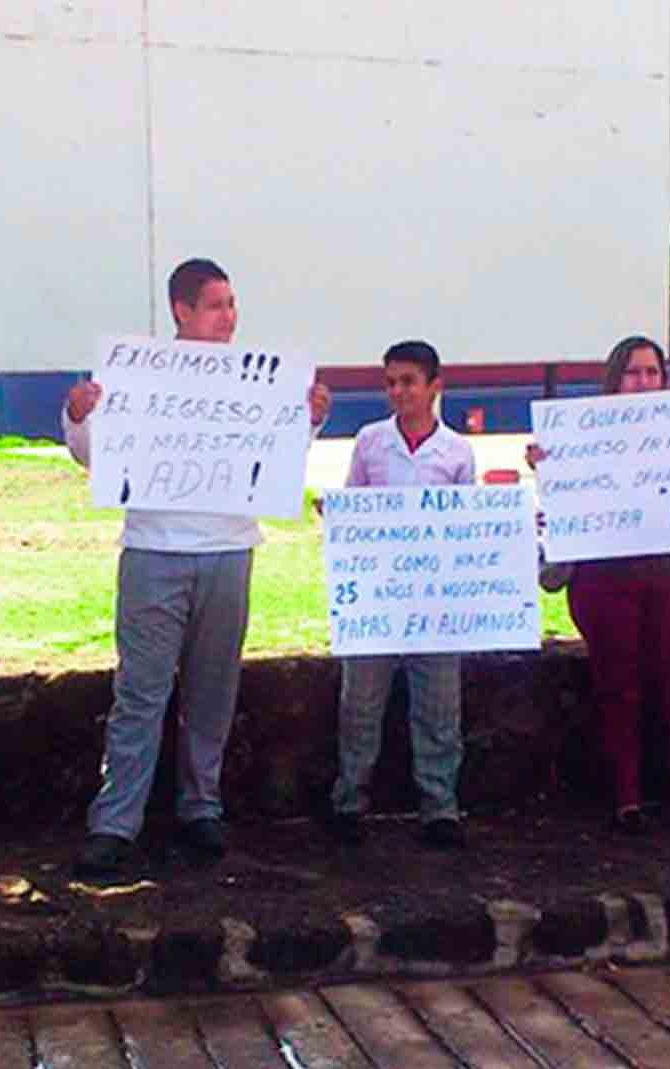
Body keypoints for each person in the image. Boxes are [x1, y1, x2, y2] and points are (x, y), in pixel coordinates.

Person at [65, 259, 331, 882]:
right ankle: (116, 821)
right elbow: (92, 456)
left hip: (229, 548)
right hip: (155, 547)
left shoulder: (258, 378)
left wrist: (309, 418)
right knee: (141, 691)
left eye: (233, 304)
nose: (229, 316)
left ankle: (201, 805)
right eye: (216, 305)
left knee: (213, 689)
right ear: (181, 310)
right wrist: (79, 415)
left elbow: (278, 457)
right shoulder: (138, 375)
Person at [529, 335, 670, 834]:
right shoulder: (580, 431)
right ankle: (627, 796)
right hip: (603, 578)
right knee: (618, 688)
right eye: (633, 372)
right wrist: (549, 464)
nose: (643, 381)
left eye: (652, 372)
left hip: (669, 573)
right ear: (614, 378)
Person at [327, 341, 475, 849]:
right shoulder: (370, 442)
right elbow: (354, 504)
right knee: (360, 704)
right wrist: (341, 517)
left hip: (434, 598)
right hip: (376, 597)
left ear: (435, 386)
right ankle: (349, 801)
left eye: (408, 381)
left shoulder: (457, 451)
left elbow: (468, 523)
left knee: (438, 706)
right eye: (390, 382)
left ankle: (441, 807)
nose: (398, 391)